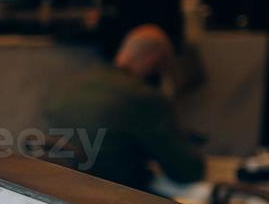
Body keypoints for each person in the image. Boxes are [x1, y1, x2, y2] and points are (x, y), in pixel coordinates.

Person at [45, 25, 204, 191]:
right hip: (113, 196)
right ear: (153, 60)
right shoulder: (144, 97)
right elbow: (188, 172)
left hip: (64, 190)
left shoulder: (75, 83)